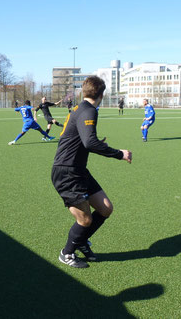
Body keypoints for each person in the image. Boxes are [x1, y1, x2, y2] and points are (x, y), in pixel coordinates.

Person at [52, 76, 132, 268]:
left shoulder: (80, 108)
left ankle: (80, 242)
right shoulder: (88, 110)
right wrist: (119, 153)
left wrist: (95, 145)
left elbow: (83, 141)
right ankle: (67, 253)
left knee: (105, 208)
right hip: (67, 172)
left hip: (79, 170)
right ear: (102, 94)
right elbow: (89, 142)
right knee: (85, 219)